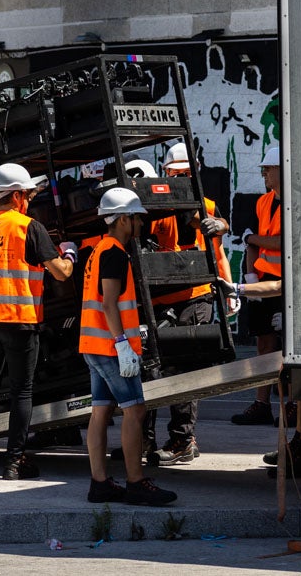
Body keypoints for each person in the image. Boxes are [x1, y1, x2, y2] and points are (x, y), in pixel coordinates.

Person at [0, 162, 76, 480]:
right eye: (26, 194)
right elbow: (60, 273)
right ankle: (14, 462)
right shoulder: (28, 226)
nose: (27, 200)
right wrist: (70, 253)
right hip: (19, 318)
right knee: (21, 391)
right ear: (16, 196)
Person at [82, 187, 178, 506]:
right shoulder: (114, 253)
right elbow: (109, 303)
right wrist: (123, 343)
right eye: (137, 219)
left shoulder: (99, 250)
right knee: (135, 409)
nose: (141, 225)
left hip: (94, 344)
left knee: (100, 411)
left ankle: (100, 484)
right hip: (110, 348)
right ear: (123, 219)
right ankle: (136, 483)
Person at [148, 144, 233, 465]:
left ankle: (183, 439)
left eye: (186, 172)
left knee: (184, 371)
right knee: (158, 371)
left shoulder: (207, 205)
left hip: (196, 296)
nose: (182, 177)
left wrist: (227, 290)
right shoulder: (155, 205)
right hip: (162, 298)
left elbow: (219, 247)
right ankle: (150, 440)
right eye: (176, 172)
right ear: (167, 172)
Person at [232, 145, 286, 428]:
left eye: (268, 168)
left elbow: (282, 242)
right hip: (265, 283)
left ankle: (292, 407)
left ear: (282, 169)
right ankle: (262, 404)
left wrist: (253, 241)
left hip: (286, 284)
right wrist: (251, 279)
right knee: (264, 344)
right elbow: (252, 241)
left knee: (288, 347)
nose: (264, 172)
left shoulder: (295, 201)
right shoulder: (263, 202)